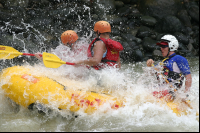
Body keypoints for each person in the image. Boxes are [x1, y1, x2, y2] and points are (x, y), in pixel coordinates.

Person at [146, 34, 192, 100]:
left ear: (171, 47)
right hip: (161, 90)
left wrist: (186, 94)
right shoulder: (163, 62)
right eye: (161, 46)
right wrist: (149, 65)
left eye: (163, 46)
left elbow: (188, 76)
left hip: (171, 92)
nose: (161, 49)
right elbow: (151, 73)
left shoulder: (179, 59)